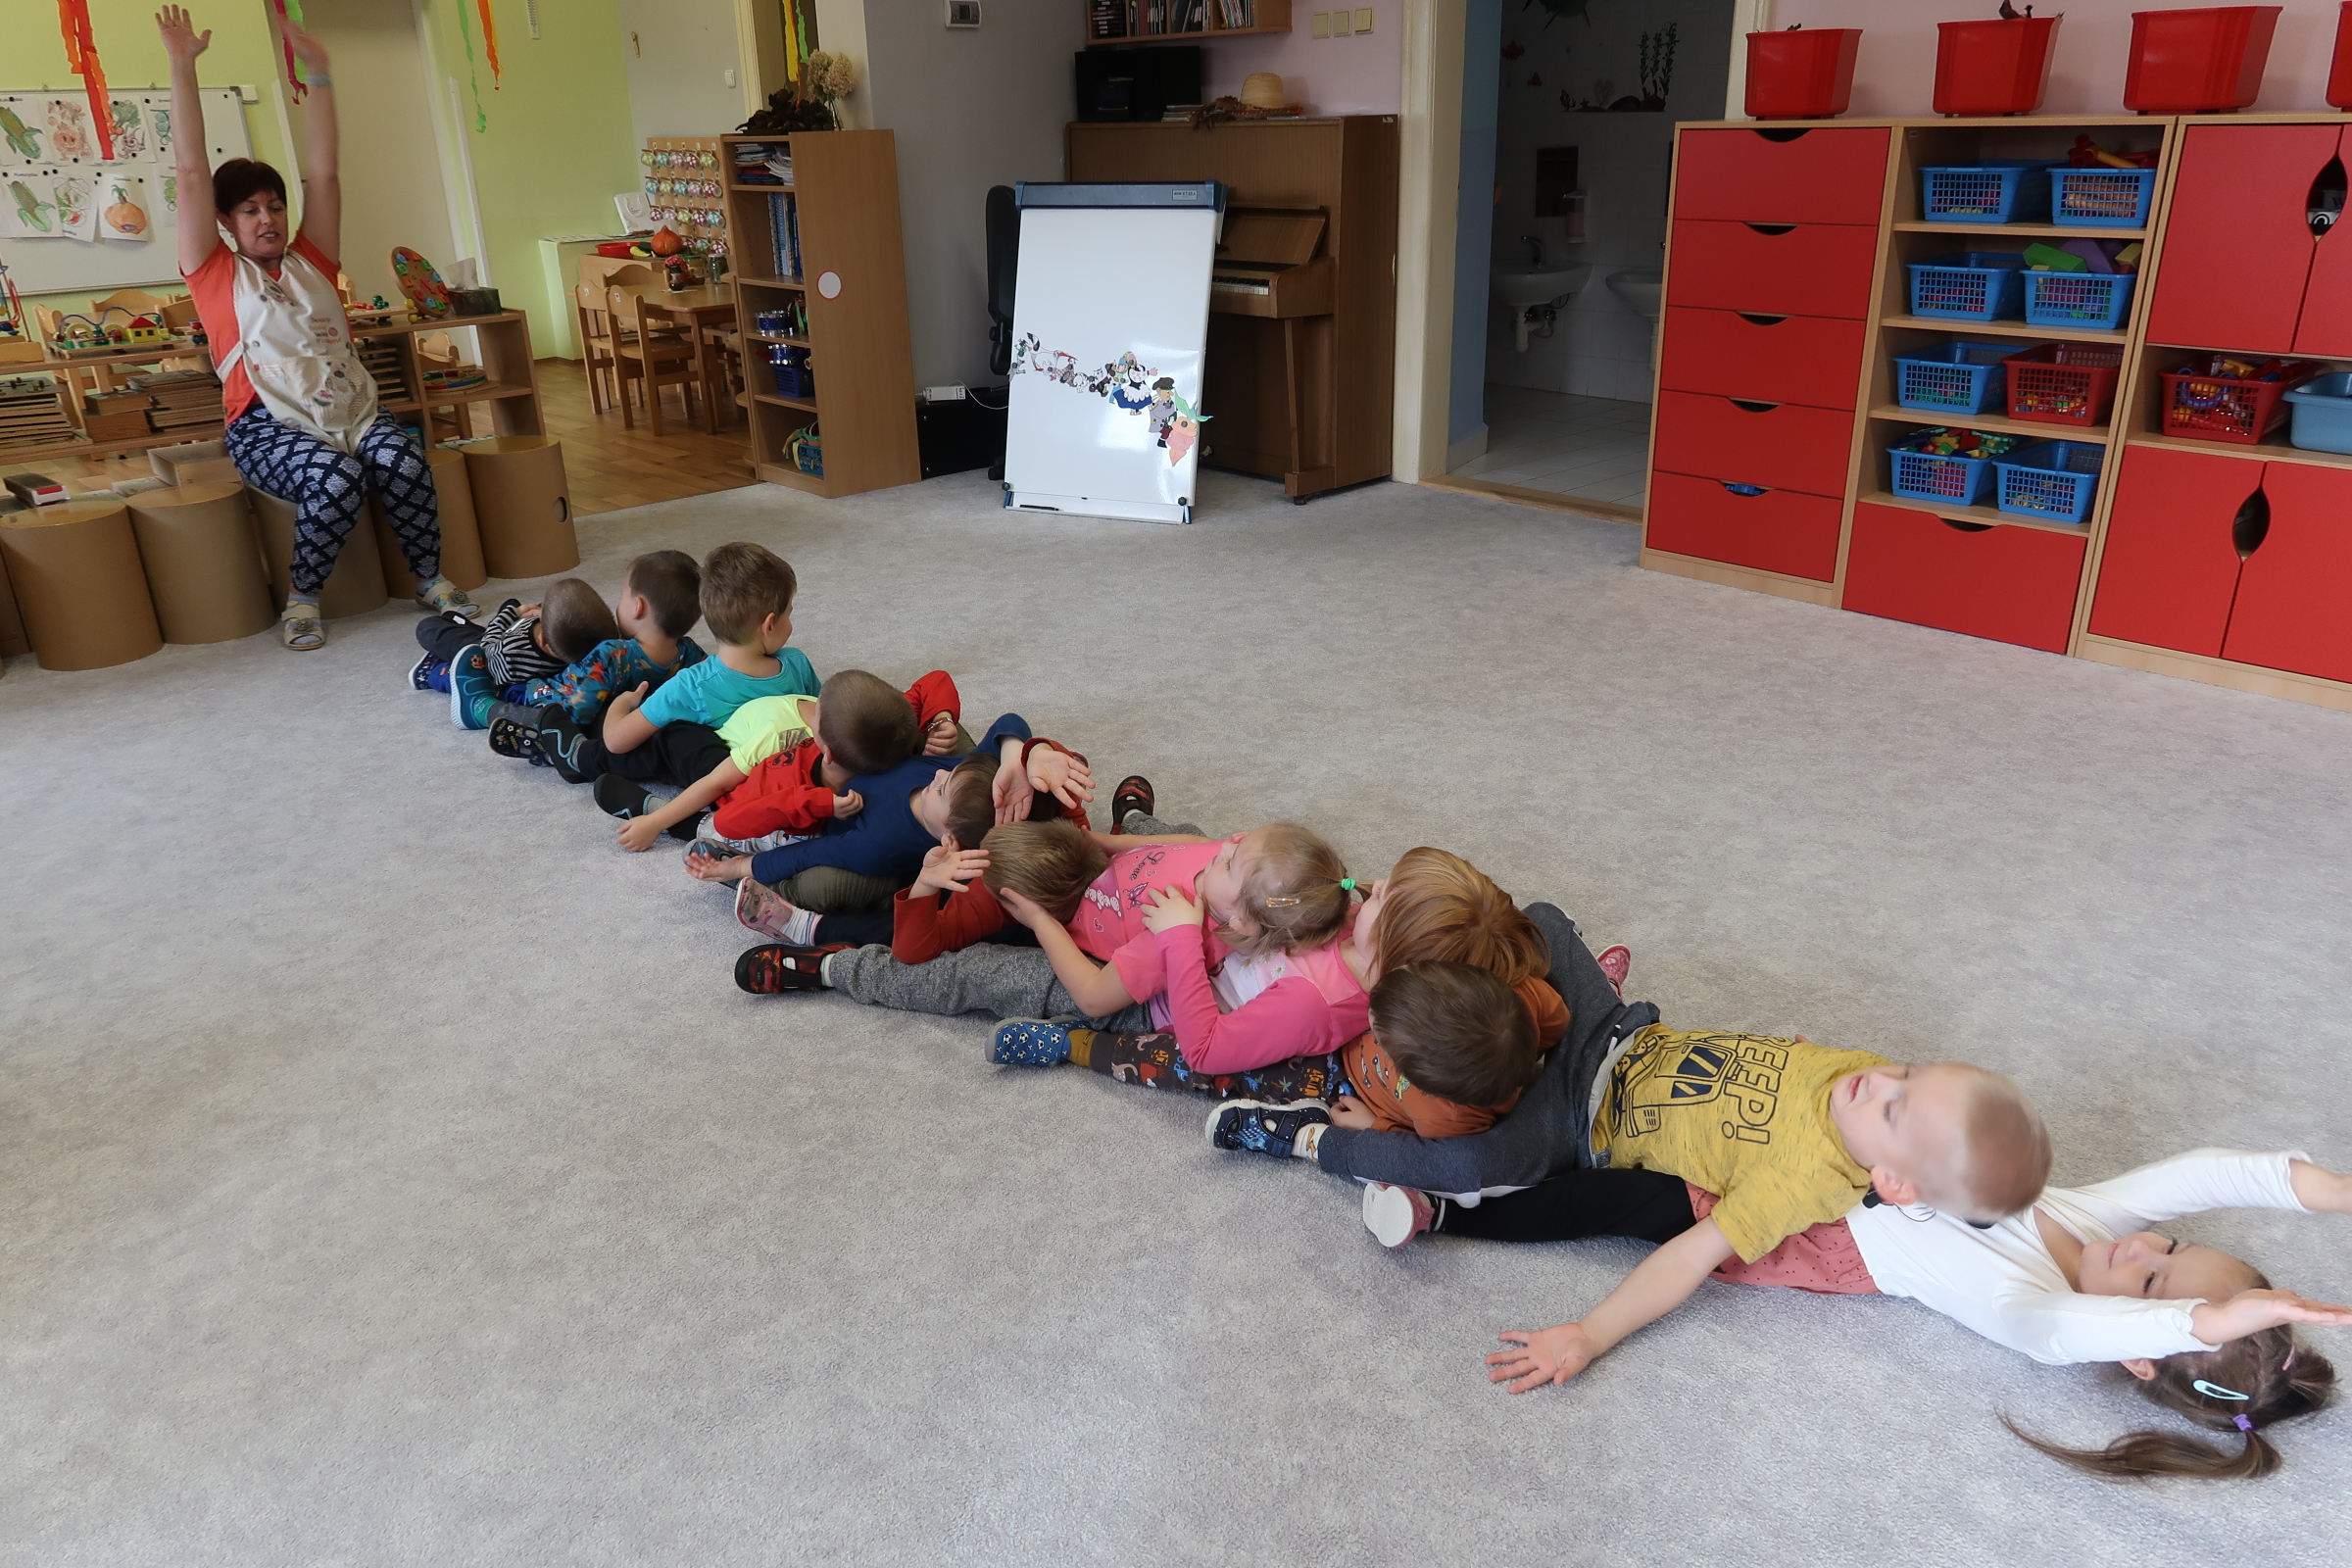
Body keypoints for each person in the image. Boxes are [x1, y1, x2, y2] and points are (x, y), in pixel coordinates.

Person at [1467, 1148, 2352, 1479]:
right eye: (2172, 1244)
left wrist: (1589, 1332)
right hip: (1826, 1157)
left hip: (1804, 1228)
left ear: (2139, 1350)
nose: (2146, 1249)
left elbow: (2131, 1328)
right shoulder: (2098, 1224)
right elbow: (2212, 1173)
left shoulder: (2041, 1319)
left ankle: (1447, 1207)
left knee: (1616, 1196)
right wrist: (2341, 1193)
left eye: (2156, 1285)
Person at [161, 5, 476, 651]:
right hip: (262, 425)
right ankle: (302, 599)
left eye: (275, 206)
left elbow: (325, 173)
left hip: (350, 410)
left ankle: (428, 577)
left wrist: (322, 74)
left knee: (403, 462)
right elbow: (190, 173)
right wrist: (182, 65)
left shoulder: (312, 259)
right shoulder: (214, 272)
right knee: (337, 479)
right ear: (225, 222)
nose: (267, 219)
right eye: (250, 211)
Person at [486, 549, 708, 766]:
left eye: (623, 595)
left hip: (549, 696)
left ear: (637, 608)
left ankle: (486, 708)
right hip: (625, 716)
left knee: (507, 694)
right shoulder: (690, 651)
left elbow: (575, 714)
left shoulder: (612, 654)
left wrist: (545, 713)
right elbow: (709, 681)